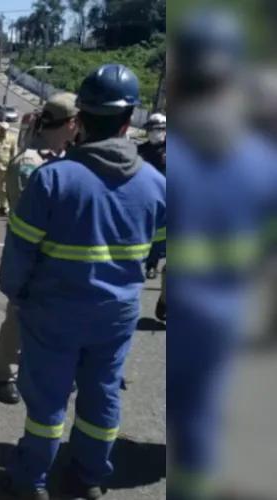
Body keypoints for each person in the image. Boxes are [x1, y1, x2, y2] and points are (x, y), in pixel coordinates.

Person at [0, 63, 166, 500]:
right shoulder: (156, 184)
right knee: (103, 394)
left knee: (48, 400)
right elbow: (163, 247)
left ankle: (32, 477)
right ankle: (90, 477)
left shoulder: (52, 179)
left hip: (53, 312)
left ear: (82, 120)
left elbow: (19, 252)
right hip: (117, 315)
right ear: (130, 119)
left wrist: (16, 295)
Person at [166, 10, 277, 500]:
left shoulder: (173, 156)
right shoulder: (261, 162)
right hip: (229, 313)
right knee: (203, 416)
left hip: (179, 308)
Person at [0, 94, 80, 406]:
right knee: (19, 317)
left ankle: (47, 372)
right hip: (31, 257)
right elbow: (27, 216)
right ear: (70, 123)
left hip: (62, 258)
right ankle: (6, 374)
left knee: (58, 320)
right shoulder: (29, 163)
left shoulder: (71, 158)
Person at [139, 113, 167, 280]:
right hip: (146, 196)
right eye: (150, 130)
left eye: (156, 130)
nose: (153, 133)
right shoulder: (141, 150)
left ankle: (155, 265)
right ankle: (148, 263)